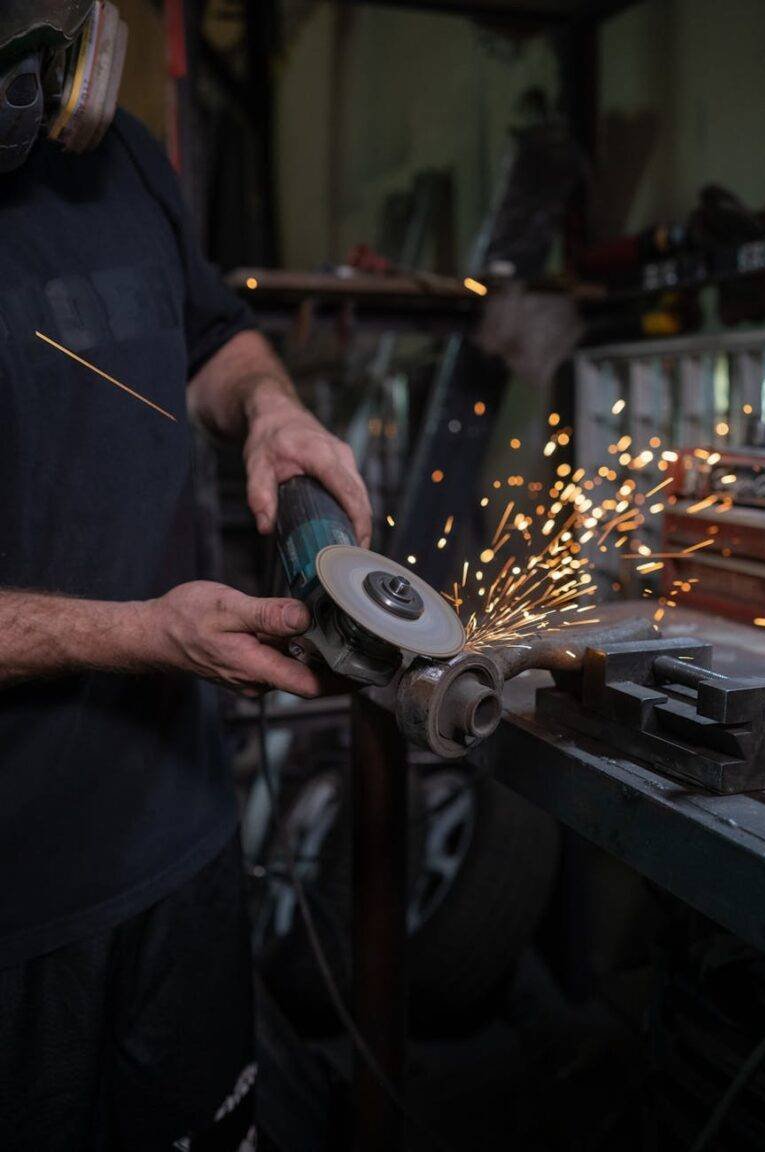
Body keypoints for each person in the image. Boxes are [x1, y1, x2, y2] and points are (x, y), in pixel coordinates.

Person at [0, 5, 371, 1149]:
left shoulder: (119, 159)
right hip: (20, 909)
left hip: (184, 837)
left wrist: (271, 410)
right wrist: (144, 636)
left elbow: (216, 336)